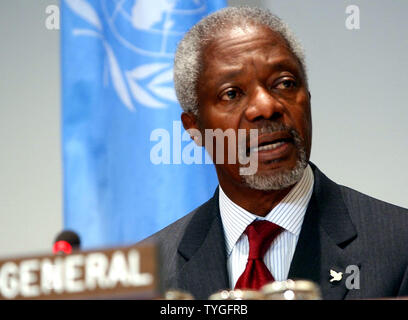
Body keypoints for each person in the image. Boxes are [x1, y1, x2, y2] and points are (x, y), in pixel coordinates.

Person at [141, 6, 408, 300]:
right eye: (231, 93)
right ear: (194, 128)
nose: (266, 107)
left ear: (307, 96)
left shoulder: (399, 245)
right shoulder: (149, 276)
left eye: (285, 83)